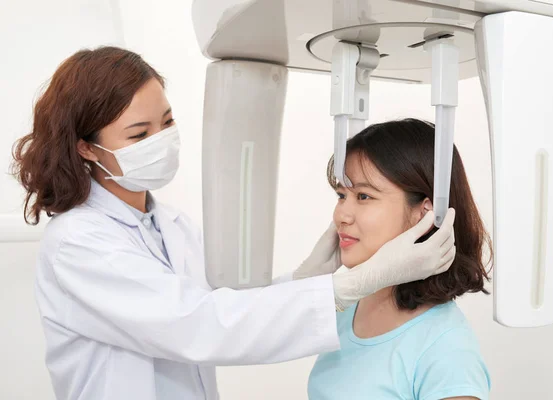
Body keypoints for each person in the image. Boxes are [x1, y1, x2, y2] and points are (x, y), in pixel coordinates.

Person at [11, 47, 456, 400]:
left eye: (167, 122)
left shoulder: (171, 225)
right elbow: (200, 326)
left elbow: (226, 306)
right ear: (87, 149)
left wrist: (307, 279)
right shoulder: (78, 244)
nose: (161, 141)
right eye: (139, 134)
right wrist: (343, 289)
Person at [308, 119, 492, 400]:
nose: (341, 215)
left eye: (363, 196)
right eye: (341, 195)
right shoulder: (346, 310)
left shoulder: (446, 349)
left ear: (426, 212)